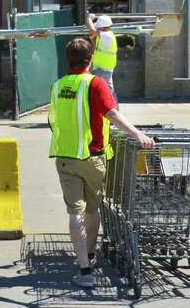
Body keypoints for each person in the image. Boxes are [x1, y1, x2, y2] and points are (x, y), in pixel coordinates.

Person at [49, 37, 154, 289]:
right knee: (92, 210)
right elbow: (112, 113)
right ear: (91, 59)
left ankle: (84, 270)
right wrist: (137, 134)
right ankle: (90, 253)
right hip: (93, 157)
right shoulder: (95, 84)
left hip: (65, 157)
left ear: (68, 60)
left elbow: (54, 120)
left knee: (74, 213)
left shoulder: (58, 85)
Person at [86, 13, 118, 91]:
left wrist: (89, 19)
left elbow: (93, 30)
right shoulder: (105, 36)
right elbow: (97, 49)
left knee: (104, 90)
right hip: (102, 67)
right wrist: (92, 39)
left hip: (103, 68)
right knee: (106, 89)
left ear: (103, 27)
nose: (97, 29)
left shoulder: (107, 35)